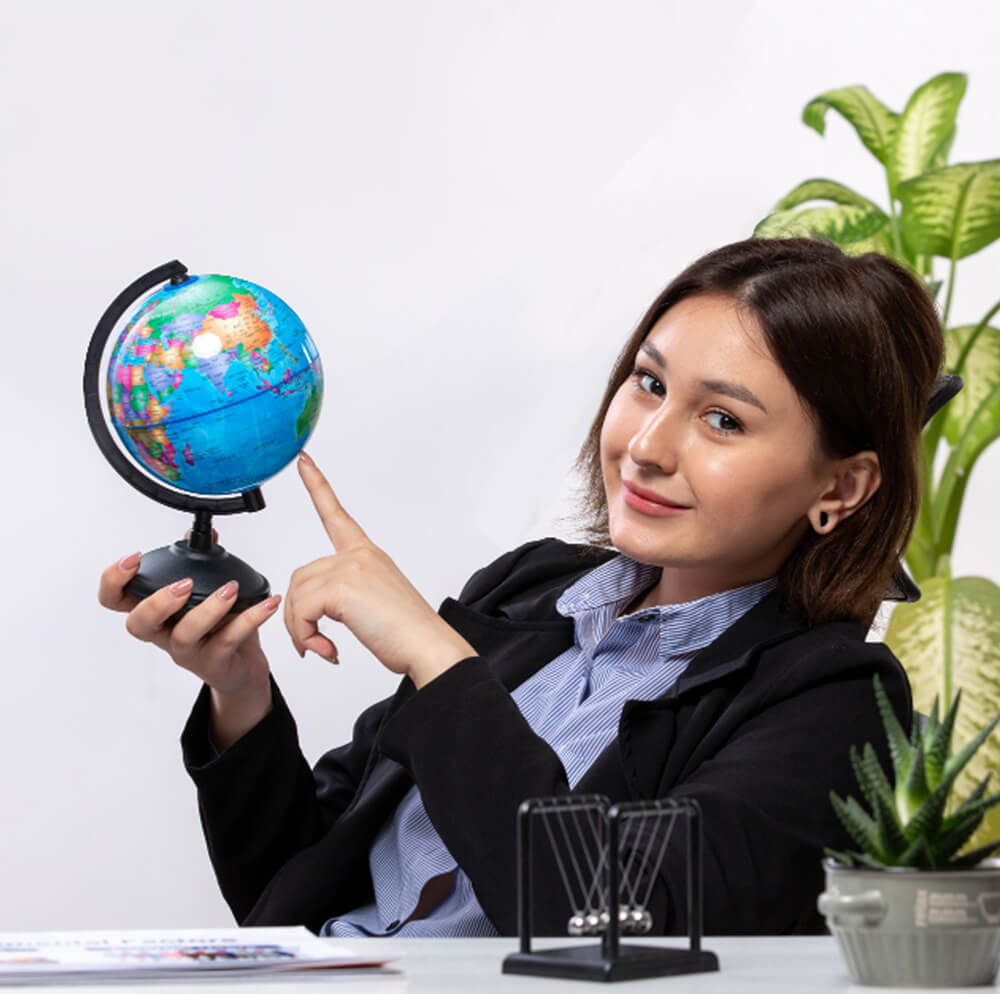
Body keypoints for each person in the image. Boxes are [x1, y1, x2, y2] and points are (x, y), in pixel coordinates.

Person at [98, 237, 945, 937]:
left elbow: (617, 928)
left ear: (841, 488)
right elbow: (291, 889)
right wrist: (240, 689)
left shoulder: (836, 701)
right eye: (649, 384)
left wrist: (438, 658)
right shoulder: (527, 590)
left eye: (722, 420)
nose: (646, 445)